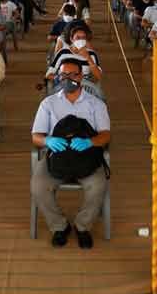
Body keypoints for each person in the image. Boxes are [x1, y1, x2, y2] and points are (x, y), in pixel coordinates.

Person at [31, 59, 110, 249]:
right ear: (58, 76)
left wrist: (90, 142)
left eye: (73, 75)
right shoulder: (48, 103)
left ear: (81, 76)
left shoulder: (96, 104)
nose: (68, 79)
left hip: (87, 156)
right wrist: (48, 141)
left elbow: (105, 135)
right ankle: (60, 226)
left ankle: (83, 226)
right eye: (63, 75)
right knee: (38, 186)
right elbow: (36, 136)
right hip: (57, 156)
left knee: (98, 185)